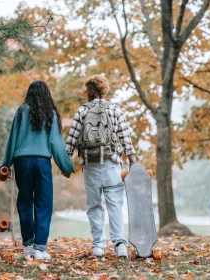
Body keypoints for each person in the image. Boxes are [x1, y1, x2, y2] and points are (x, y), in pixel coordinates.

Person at [0, 80, 74, 260]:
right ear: (47, 94)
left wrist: (5, 164)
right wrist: (66, 167)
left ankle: (28, 246)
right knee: (43, 203)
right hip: (42, 162)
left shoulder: (21, 112)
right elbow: (56, 143)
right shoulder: (51, 114)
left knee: (25, 202)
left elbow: (12, 139)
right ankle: (40, 248)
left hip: (21, 161)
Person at [65, 74, 136, 257]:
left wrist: (66, 160)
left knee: (94, 205)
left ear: (92, 90)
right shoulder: (115, 109)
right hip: (112, 164)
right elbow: (125, 136)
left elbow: (72, 138)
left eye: (87, 89)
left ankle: (98, 245)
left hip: (90, 165)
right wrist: (132, 159)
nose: (86, 92)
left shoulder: (82, 111)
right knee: (115, 204)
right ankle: (119, 244)